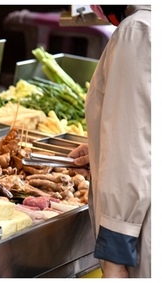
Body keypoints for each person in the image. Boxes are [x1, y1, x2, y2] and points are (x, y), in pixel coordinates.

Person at [68, 5, 150, 278]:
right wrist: (103, 149)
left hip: (142, 237)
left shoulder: (136, 30)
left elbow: (131, 151)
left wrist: (114, 261)